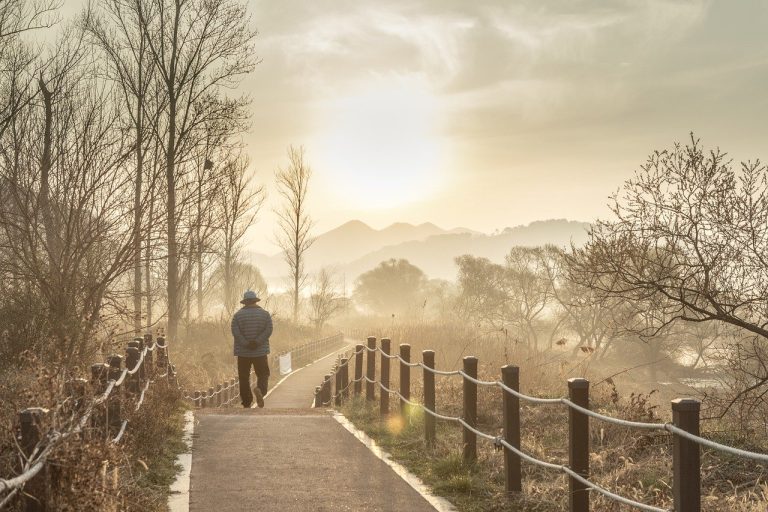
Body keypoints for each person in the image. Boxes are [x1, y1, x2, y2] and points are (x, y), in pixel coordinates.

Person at [231, 290, 272, 408]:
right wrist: (257, 342)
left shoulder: (237, 316)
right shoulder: (265, 314)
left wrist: (246, 343)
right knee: (263, 374)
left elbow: (235, 332)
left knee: (244, 377)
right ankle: (260, 390)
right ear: (255, 301)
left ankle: (247, 402)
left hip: (243, 353)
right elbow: (268, 330)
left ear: (245, 302)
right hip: (260, 351)